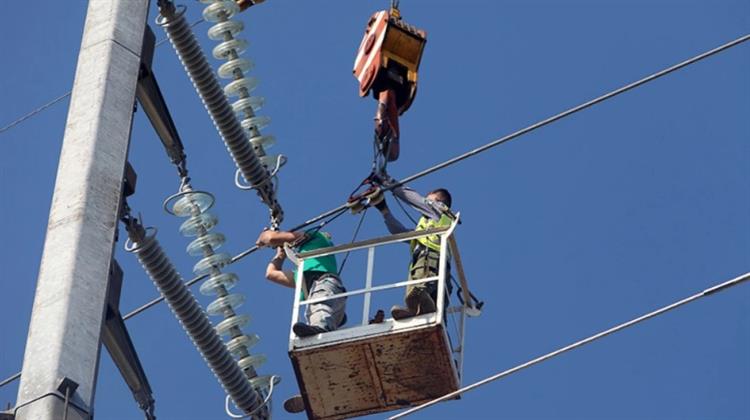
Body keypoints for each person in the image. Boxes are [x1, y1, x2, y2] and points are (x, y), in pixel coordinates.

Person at [373, 179, 455, 320]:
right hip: (438, 270)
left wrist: (386, 181)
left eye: (428, 199)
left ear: (438, 201)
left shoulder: (439, 211)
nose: (424, 202)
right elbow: (399, 232)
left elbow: (412, 199)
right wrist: (384, 209)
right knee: (436, 311)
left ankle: (417, 308)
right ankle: (419, 311)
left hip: (430, 261)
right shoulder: (429, 229)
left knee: (417, 291)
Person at [256, 229, 347, 337]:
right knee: (315, 311)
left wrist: (265, 235)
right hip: (329, 295)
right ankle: (324, 325)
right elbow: (271, 274)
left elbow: (272, 238)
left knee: (319, 306)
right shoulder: (303, 274)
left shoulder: (316, 235)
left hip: (326, 286)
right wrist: (280, 255)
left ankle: (323, 327)